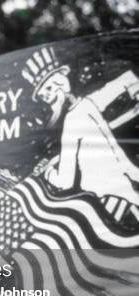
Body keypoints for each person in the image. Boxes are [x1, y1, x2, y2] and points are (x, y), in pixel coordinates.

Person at [22, 46, 139, 222]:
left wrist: (47, 173)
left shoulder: (74, 118)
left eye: (47, 89)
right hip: (120, 191)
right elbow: (128, 80)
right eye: (43, 95)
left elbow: (65, 181)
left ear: (58, 83)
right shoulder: (86, 105)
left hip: (109, 196)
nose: (45, 98)